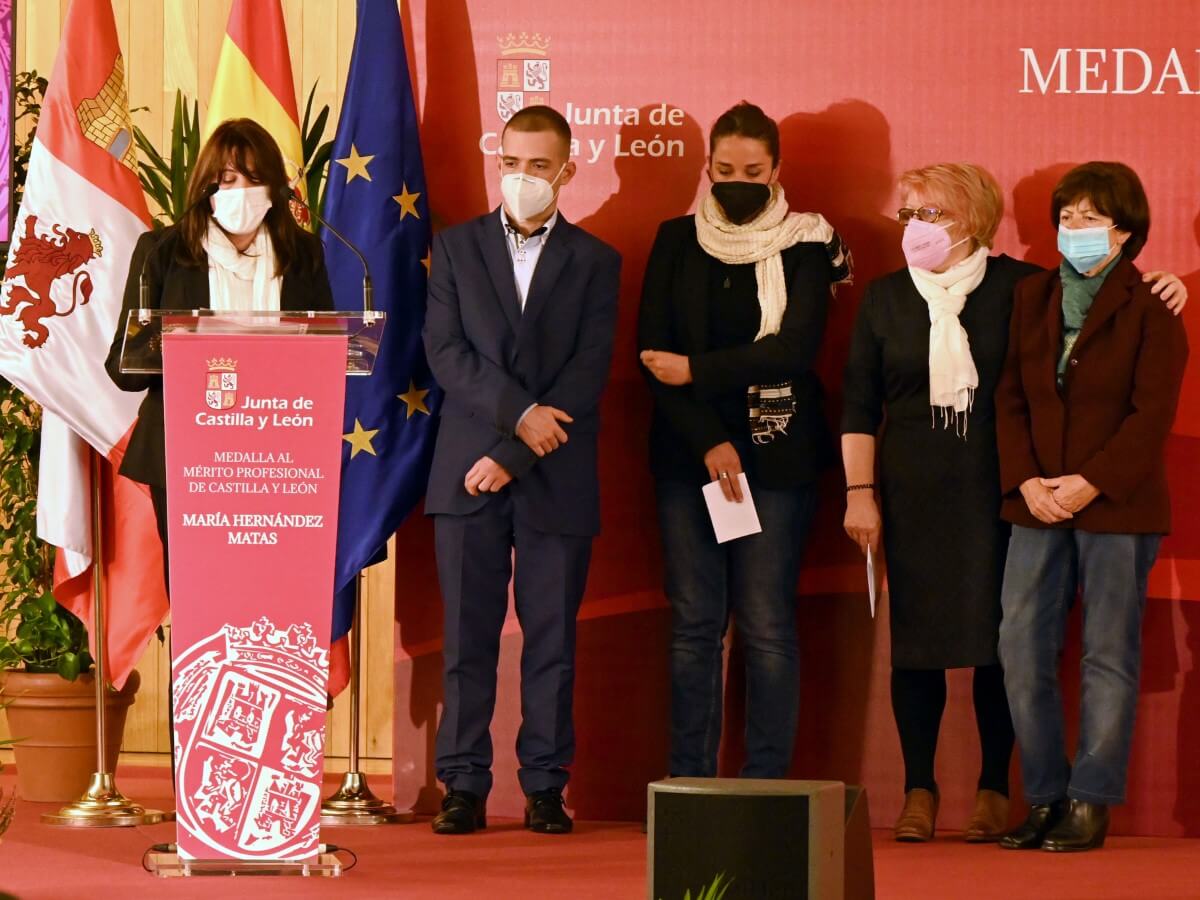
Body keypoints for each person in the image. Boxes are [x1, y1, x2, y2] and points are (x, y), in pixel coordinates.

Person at [841, 163, 1186, 844]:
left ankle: (1049, 796)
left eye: (931, 214)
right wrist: (864, 492)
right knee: (975, 648)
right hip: (979, 498)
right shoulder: (965, 296)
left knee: (1062, 652)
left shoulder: (1077, 295)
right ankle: (986, 793)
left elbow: (1138, 404)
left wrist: (1165, 283)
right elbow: (994, 398)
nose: (914, 227)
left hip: (1057, 498)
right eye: (1066, 217)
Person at [422, 105, 621, 836]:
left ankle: (544, 785)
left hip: (552, 472)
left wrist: (516, 452)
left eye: (539, 165)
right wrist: (520, 418)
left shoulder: (597, 260)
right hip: (465, 471)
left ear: (567, 171)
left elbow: (588, 369)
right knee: (466, 639)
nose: (522, 177)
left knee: (553, 641)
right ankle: (462, 784)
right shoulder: (455, 247)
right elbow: (447, 355)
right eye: (511, 163)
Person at [638, 102, 851, 780]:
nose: (737, 182)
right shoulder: (676, 239)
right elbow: (654, 357)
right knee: (695, 624)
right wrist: (710, 441)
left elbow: (794, 350)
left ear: (776, 170)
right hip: (689, 456)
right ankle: (688, 785)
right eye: (725, 170)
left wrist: (698, 370)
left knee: (765, 624)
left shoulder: (807, 242)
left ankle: (765, 790)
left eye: (752, 172)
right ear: (707, 167)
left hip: (778, 456)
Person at [995, 162, 1188, 852]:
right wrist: (1027, 482)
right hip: (1037, 502)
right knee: (1019, 646)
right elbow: (1011, 399)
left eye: (1091, 217)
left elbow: (1150, 415)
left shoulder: (1153, 305)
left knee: (1108, 653)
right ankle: (1045, 795)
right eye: (1066, 216)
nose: (1073, 228)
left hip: (1117, 506)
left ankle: (1090, 800)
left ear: (1125, 230)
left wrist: (1091, 482)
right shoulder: (1032, 296)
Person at [105, 118, 335, 565]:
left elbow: (327, 353)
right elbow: (123, 368)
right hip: (187, 458)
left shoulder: (304, 253)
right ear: (206, 185)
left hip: (283, 458)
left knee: (275, 584)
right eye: (228, 179)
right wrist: (179, 342)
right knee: (199, 587)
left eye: (254, 178)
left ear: (276, 189)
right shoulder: (162, 251)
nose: (241, 191)